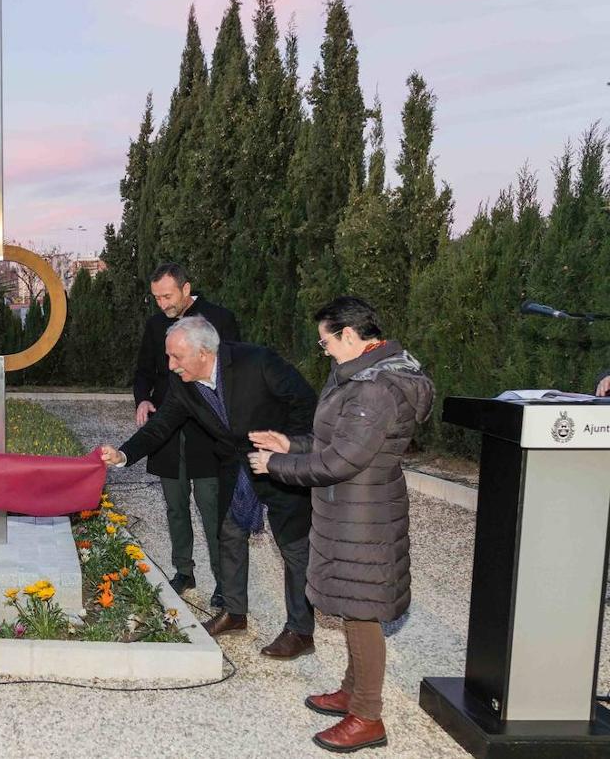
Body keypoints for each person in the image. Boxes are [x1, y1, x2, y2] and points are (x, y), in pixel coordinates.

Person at [247, 297, 433, 753]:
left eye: (325, 340)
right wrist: (289, 442)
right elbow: (335, 440)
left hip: (362, 513)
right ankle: (353, 691)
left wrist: (276, 465)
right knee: (353, 603)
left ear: (349, 335)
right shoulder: (362, 375)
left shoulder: (375, 388)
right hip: (351, 509)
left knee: (363, 610)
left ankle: (368, 716)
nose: (323, 349)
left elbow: (340, 460)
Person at [100, 315, 318, 659]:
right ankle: (234, 612)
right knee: (228, 535)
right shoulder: (185, 384)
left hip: (281, 465)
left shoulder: (257, 362)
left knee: (293, 547)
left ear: (203, 352)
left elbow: (306, 401)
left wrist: (289, 445)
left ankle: (300, 631)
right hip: (236, 467)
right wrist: (124, 454)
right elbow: (162, 425)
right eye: (168, 357)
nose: (170, 366)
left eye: (177, 357)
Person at [133, 263, 240, 603]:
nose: (162, 304)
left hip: (206, 433)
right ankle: (184, 571)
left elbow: (234, 373)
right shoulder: (155, 325)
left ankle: (224, 582)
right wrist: (143, 401)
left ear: (185, 288)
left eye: (167, 296)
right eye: (156, 298)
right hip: (166, 430)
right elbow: (143, 371)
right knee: (175, 506)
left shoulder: (220, 319)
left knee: (212, 507)